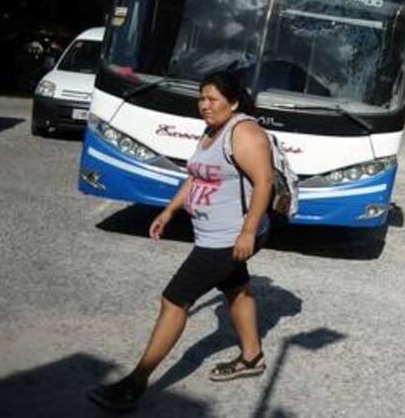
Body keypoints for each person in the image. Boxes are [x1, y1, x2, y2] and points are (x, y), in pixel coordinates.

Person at [87, 71, 274, 413]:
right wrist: (170, 211)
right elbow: (195, 175)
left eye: (213, 99)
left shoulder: (245, 133)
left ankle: (134, 383)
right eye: (201, 98)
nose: (205, 105)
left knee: (174, 300)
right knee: (235, 286)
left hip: (228, 237)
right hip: (214, 234)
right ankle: (252, 357)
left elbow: (264, 183)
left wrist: (247, 232)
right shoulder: (211, 131)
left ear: (233, 102)